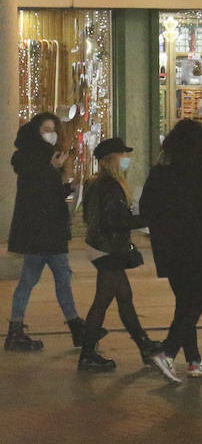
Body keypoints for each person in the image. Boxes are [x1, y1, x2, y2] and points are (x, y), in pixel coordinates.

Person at [140, 119, 202, 383]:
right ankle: (168, 352)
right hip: (199, 245)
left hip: (169, 248)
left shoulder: (161, 171)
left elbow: (146, 206)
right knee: (196, 302)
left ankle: (194, 361)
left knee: (184, 303)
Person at [76, 138, 158, 372]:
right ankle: (87, 354)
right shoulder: (110, 186)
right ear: (112, 158)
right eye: (123, 154)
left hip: (101, 246)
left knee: (124, 297)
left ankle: (144, 345)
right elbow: (115, 221)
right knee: (102, 301)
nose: (127, 159)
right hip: (108, 249)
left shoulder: (96, 183)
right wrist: (145, 219)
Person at [6, 113, 84, 353]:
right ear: (36, 132)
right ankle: (75, 328)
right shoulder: (32, 159)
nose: (51, 133)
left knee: (50, 280)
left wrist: (68, 187)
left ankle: (74, 328)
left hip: (47, 233)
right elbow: (35, 191)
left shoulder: (44, 159)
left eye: (53, 129)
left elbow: (48, 195)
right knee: (51, 280)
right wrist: (53, 169)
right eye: (46, 129)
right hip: (43, 234)